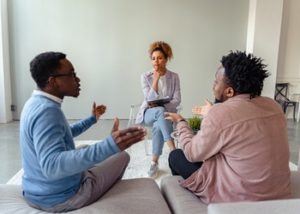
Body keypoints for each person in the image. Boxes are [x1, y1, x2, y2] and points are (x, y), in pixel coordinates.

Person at [20, 51, 147, 212]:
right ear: (53, 82)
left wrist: (91, 119)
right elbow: (51, 166)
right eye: (72, 74)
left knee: (86, 148)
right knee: (121, 156)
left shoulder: (35, 103)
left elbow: (63, 134)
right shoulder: (48, 111)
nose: (77, 79)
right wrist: (110, 145)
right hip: (60, 198)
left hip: (35, 191)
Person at [165, 51, 291, 203]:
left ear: (230, 91)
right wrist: (213, 112)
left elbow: (193, 153)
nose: (213, 85)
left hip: (240, 197)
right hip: (279, 193)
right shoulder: (274, 106)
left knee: (176, 155)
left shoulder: (220, 113)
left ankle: (189, 204)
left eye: (216, 82)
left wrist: (181, 122)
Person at [135, 41, 181, 177]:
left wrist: (160, 106)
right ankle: (174, 151)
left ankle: (154, 163)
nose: (156, 61)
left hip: (164, 115)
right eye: (153, 58)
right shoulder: (145, 76)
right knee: (160, 113)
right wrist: (155, 79)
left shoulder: (174, 77)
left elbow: (177, 100)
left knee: (158, 124)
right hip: (148, 114)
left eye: (160, 58)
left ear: (166, 59)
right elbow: (149, 100)